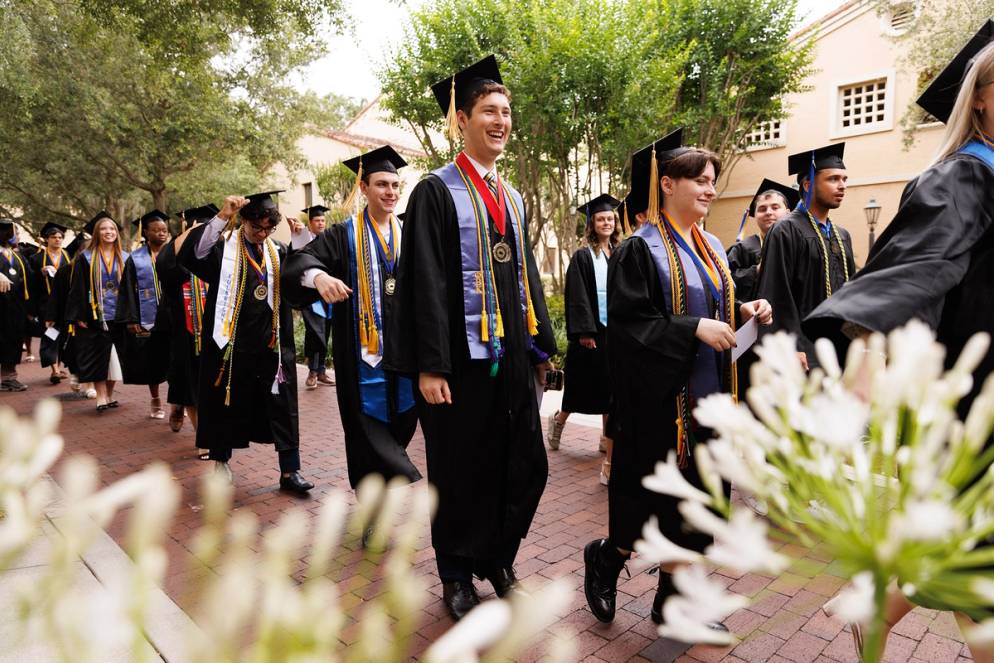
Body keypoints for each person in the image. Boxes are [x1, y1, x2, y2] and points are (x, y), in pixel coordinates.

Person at [804, 22, 994, 663]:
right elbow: (912, 267)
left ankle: (871, 610)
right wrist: (865, 348)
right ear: (981, 98)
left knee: (971, 550)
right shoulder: (965, 178)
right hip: (974, 398)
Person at [384, 55, 557, 620]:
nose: (501, 120)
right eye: (488, 111)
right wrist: (429, 366)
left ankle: (499, 557)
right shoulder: (436, 192)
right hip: (457, 362)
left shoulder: (513, 197)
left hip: (508, 357)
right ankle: (456, 573)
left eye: (506, 112)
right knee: (460, 467)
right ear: (462, 119)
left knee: (523, 460)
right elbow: (424, 284)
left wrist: (539, 346)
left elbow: (525, 273)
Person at [581, 129, 772, 627]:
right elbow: (629, 327)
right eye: (699, 181)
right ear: (666, 184)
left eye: (712, 181)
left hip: (710, 401)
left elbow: (715, 307)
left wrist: (743, 307)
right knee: (649, 504)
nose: (710, 189)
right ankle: (607, 556)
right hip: (659, 407)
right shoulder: (639, 250)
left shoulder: (710, 244)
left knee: (698, 505)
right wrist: (694, 328)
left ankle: (674, 600)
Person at [283, 145, 421, 496]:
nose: (390, 192)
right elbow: (300, 262)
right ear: (364, 188)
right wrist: (318, 277)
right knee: (364, 432)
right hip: (361, 356)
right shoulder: (342, 235)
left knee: (403, 423)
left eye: (394, 185)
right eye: (381, 185)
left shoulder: (411, 233)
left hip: (406, 351)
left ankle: (388, 487)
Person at [178, 191, 313, 494]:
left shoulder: (277, 250)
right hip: (232, 345)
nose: (262, 235)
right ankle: (221, 462)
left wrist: (301, 240)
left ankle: (290, 471)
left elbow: (299, 274)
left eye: (268, 229)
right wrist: (222, 216)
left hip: (272, 345)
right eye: (257, 228)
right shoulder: (223, 250)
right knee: (225, 404)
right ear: (244, 221)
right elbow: (194, 254)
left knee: (283, 407)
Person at [755, 143, 855, 371]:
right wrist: (791, 345)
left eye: (844, 179)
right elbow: (777, 292)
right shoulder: (785, 230)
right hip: (805, 351)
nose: (842, 186)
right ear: (808, 184)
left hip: (840, 347)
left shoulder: (842, 235)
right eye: (833, 179)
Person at [547, 193, 621, 486]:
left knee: (610, 385)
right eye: (601, 218)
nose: (606, 222)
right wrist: (585, 331)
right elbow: (577, 296)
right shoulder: (583, 255)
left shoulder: (618, 252)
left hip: (613, 329)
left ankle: (606, 438)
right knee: (581, 385)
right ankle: (559, 420)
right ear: (592, 223)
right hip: (591, 331)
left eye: (610, 218)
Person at [158, 204, 217, 437]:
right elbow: (165, 270)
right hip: (184, 331)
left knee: (207, 384)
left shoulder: (218, 252)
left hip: (213, 331)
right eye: (198, 228)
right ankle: (201, 432)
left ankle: (178, 404)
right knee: (188, 382)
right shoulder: (173, 253)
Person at [65, 212, 128, 411]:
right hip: (96, 316)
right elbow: (78, 288)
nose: (108, 232)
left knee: (117, 358)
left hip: (120, 315)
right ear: (96, 233)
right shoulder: (86, 258)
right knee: (99, 357)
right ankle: (101, 397)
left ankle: (109, 395)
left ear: (117, 233)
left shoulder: (126, 257)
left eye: (112, 229)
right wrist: (79, 315)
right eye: (103, 229)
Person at [117, 210, 172, 419]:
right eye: (156, 230)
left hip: (172, 316)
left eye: (164, 230)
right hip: (149, 318)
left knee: (175, 361)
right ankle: (156, 399)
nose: (161, 233)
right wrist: (131, 318)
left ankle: (178, 402)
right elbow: (128, 289)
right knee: (153, 361)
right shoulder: (136, 259)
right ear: (146, 233)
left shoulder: (174, 252)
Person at [726, 179, 799, 302]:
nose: (768, 212)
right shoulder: (743, 248)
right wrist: (756, 271)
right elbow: (726, 282)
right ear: (755, 214)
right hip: (757, 315)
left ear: (788, 213)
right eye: (762, 209)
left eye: (775, 207)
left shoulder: (801, 245)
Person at [290, 204, 336, 389]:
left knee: (325, 331)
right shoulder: (303, 240)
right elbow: (295, 261)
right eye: (317, 220)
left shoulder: (329, 240)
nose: (321, 223)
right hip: (311, 297)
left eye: (323, 220)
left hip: (328, 296)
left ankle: (322, 371)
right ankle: (312, 372)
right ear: (310, 223)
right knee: (315, 333)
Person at [28, 222, 71, 384]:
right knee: (50, 335)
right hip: (46, 304)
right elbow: (31, 283)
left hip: (66, 304)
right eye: (54, 237)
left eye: (60, 237)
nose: (58, 240)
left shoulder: (68, 256)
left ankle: (58, 367)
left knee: (63, 336)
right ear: (47, 239)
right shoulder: (36, 258)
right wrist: (41, 273)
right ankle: (54, 370)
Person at [0, 218, 33, 391]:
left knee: (12, 340)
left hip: (15, 307)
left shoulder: (16, 255)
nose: (17, 236)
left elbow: (31, 276)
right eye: (15, 232)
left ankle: (8, 377)